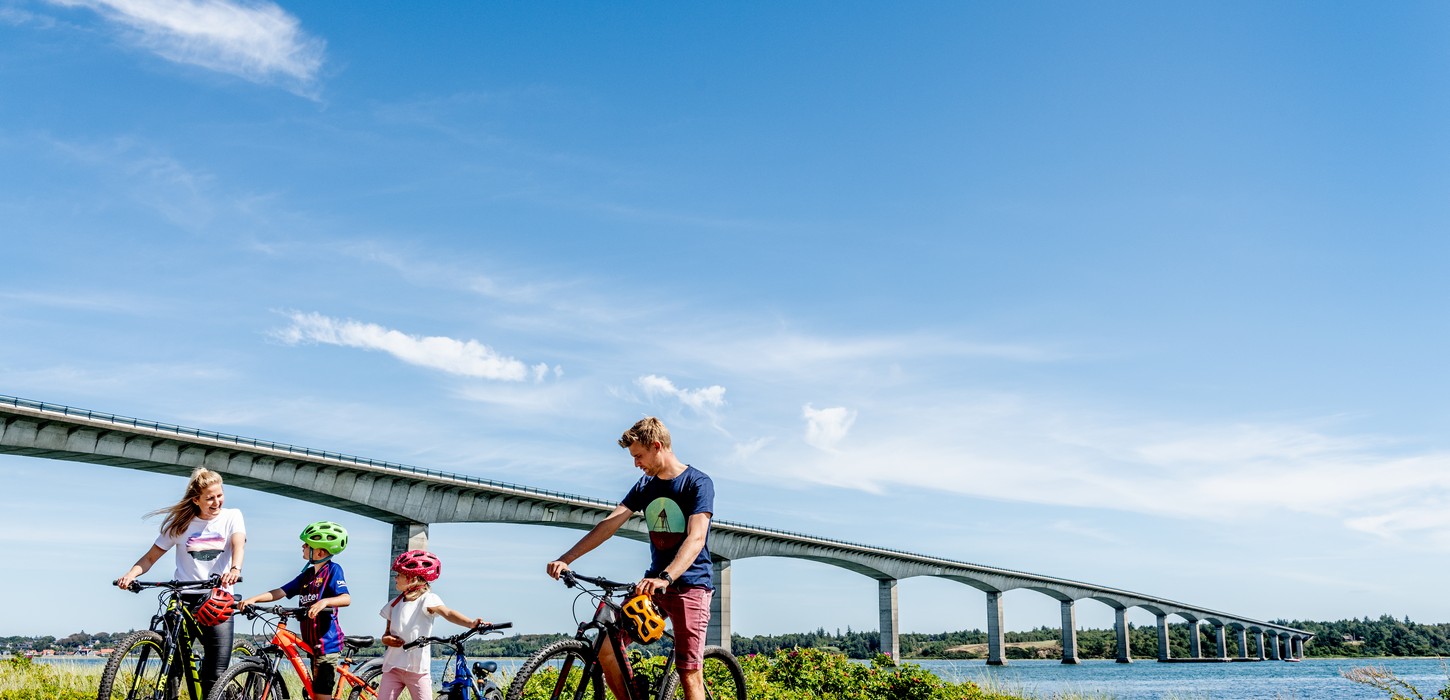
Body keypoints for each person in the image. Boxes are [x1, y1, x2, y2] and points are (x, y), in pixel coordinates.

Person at [546, 417, 715, 700]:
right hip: (652, 586)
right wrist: (566, 559)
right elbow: (608, 525)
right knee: (605, 646)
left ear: (657, 446)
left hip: (690, 586)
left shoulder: (697, 483)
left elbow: (696, 538)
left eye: (638, 455)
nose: (636, 463)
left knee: (688, 674)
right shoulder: (644, 486)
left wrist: (666, 577)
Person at [115, 467, 246, 697]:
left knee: (213, 678)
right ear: (196, 500)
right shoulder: (180, 524)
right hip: (183, 598)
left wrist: (235, 568)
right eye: (210, 498)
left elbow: (238, 544)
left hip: (219, 600)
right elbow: (149, 557)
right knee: (171, 670)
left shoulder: (232, 516)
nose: (217, 502)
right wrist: (131, 574)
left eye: (219, 495)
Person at [239, 521, 352, 700]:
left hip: (326, 645)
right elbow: (280, 592)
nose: (302, 546)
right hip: (310, 644)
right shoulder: (306, 576)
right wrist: (253, 599)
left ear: (320, 552)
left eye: (307, 544)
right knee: (311, 693)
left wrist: (324, 602)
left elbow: (346, 598)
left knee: (321, 696)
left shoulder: (333, 570)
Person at [377, 550, 490, 700]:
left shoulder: (427, 599)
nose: (395, 578)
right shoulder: (394, 604)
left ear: (412, 578)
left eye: (399, 575)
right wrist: (387, 640)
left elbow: (447, 613)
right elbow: (386, 634)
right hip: (393, 667)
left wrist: (471, 623)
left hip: (417, 670)